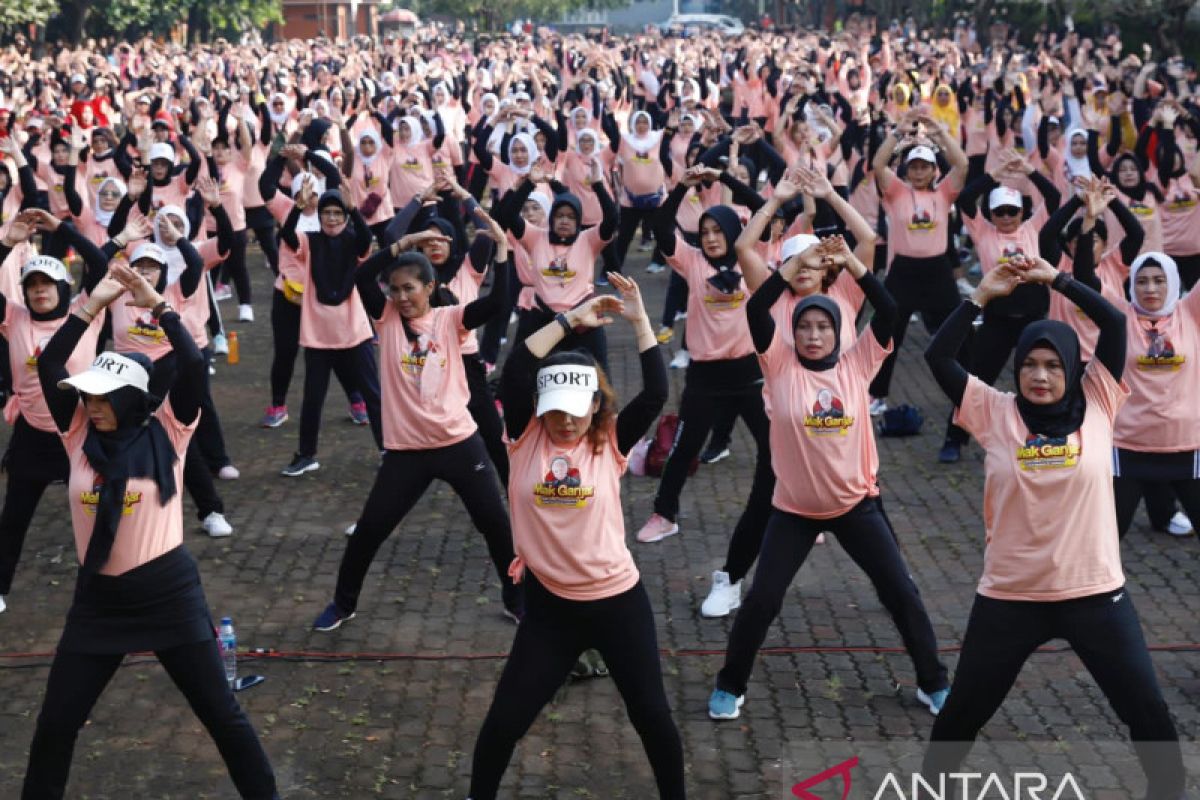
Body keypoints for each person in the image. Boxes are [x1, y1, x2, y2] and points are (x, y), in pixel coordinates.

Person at [921, 254, 1184, 799]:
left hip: (1096, 596)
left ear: (1072, 369)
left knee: (1148, 713)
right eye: (1029, 366)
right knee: (961, 719)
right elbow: (937, 354)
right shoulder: (992, 411)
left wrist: (1054, 279)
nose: (1040, 376)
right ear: (1016, 371)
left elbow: (1113, 323)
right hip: (1010, 598)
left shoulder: (1099, 402)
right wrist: (982, 295)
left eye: (1053, 366)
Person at [25, 262, 278, 799]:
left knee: (222, 717)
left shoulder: (169, 431)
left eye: (104, 397)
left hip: (169, 596)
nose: (93, 407)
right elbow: (49, 361)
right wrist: (91, 305)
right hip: (97, 602)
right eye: (88, 396)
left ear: (131, 398)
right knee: (55, 725)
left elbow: (190, 360)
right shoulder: (75, 434)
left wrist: (155, 302)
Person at [708, 235, 950, 720]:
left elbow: (888, 306)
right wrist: (797, 262)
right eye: (805, 327)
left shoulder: (857, 363)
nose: (814, 335)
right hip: (793, 512)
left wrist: (852, 264)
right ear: (792, 333)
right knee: (761, 602)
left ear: (839, 330)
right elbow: (757, 309)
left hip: (857, 506)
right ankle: (729, 686)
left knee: (901, 594)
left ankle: (934, 682)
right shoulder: (778, 365)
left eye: (824, 326)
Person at [469, 272, 684, 800]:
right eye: (555, 410)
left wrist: (637, 320)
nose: (566, 421)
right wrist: (567, 322)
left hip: (617, 604)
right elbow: (518, 367)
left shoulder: (606, 441)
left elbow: (657, 391)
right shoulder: (524, 440)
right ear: (540, 410)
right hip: (550, 612)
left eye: (577, 409)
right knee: (503, 723)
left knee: (652, 717)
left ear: (596, 408)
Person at [311, 211, 521, 630]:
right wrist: (404, 244)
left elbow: (499, 302)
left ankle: (517, 600)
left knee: (496, 525)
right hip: (407, 452)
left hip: (459, 443)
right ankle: (343, 603)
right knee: (369, 530)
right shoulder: (386, 319)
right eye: (395, 289)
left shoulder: (450, 319)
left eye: (411, 288)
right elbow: (360, 277)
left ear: (430, 288)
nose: (402, 296)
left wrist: (502, 252)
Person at [0, 211, 109, 614]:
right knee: (13, 518)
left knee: (99, 511)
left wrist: (61, 228)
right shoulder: (14, 317)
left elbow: (98, 264)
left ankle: (108, 584)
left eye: (48, 283)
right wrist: (8, 243)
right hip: (33, 434)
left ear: (64, 286)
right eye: (32, 285)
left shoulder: (85, 312)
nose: (40, 291)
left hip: (81, 433)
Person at [277, 186, 383, 476]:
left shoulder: (353, 241)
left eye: (338, 212)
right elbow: (287, 236)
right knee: (313, 398)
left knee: (372, 394)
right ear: (320, 215)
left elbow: (366, 239)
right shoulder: (310, 241)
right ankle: (306, 454)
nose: (332, 218)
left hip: (354, 331)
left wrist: (353, 210)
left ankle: (389, 448)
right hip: (318, 334)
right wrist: (298, 208)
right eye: (327, 212)